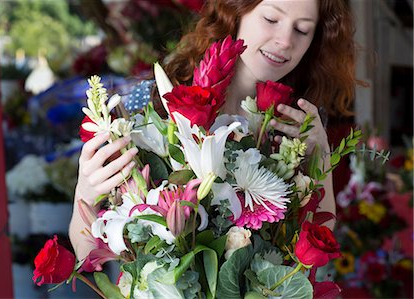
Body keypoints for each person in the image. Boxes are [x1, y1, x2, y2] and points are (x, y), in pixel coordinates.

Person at [70, 0, 362, 260]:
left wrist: (321, 154)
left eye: (302, 30)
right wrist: (86, 187)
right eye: (271, 19)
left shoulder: (299, 124)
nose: (285, 40)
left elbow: (317, 241)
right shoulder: (153, 102)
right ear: (236, 11)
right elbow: (86, 253)